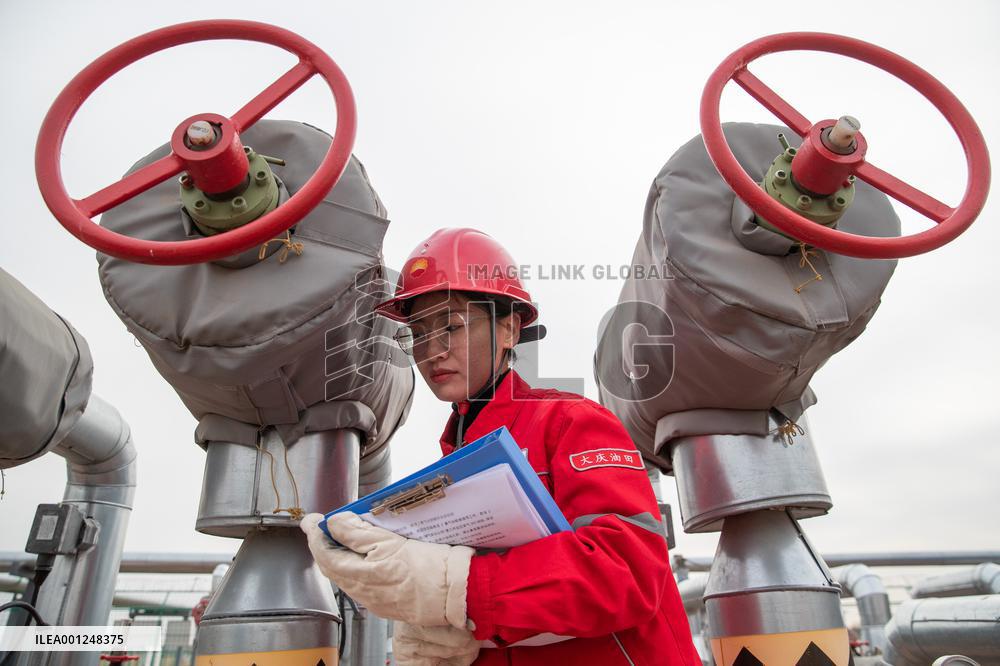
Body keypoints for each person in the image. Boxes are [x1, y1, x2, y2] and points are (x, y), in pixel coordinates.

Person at [302, 228, 699, 665]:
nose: (431, 350)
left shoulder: (571, 422)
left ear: (509, 329)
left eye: (451, 326)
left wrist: (456, 588)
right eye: (417, 332)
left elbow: (627, 574)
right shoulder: (453, 460)